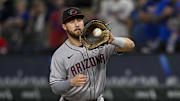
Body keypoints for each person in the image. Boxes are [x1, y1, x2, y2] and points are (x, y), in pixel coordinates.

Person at [49, 7, 135, 101]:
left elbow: (130, 45)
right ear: (64, 26)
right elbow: (55, 87)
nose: (77, 24)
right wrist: (70, 82)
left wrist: (114, 40)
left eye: (79, 20)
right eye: (71, 22)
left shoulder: (99, 43)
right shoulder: (60, 54)